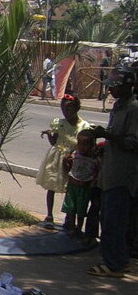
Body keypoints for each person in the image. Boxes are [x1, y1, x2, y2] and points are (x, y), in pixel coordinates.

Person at [86, 64, 138, 278]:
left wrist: (107, 135)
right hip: (110, 171)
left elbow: (133, 142)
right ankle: (120, 260)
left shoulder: (133, 109)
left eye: (115, 87)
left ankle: (113, 264)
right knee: (110, 217)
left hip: (122, 175)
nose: (110, 91)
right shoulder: (118, 106)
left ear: (127, 86)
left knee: (113, 221)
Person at [35, 95, 90, 228]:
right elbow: (54, 141)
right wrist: (49, 135)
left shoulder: (84, 126)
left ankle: (69, 217)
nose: (66, 112)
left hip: (74, 159)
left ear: (77, 108)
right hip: (57, 156)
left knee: (71, 187)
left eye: (69, 109)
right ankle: (49, 215)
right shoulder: (59, 123)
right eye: (63, 109)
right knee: (52, 185)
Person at [61, 129, 100, 236]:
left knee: (81, 210)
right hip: (72, 185)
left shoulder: (94, 159)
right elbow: (68, 169)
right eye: (80, 144)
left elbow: (96, 171)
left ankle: (79, 227)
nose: (82, 147)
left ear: (92, 145)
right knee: (71, 208)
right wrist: (65, 162)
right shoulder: (74, 155)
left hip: (85, 187)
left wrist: (93, 182)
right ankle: (71, 226)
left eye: (85, 145)